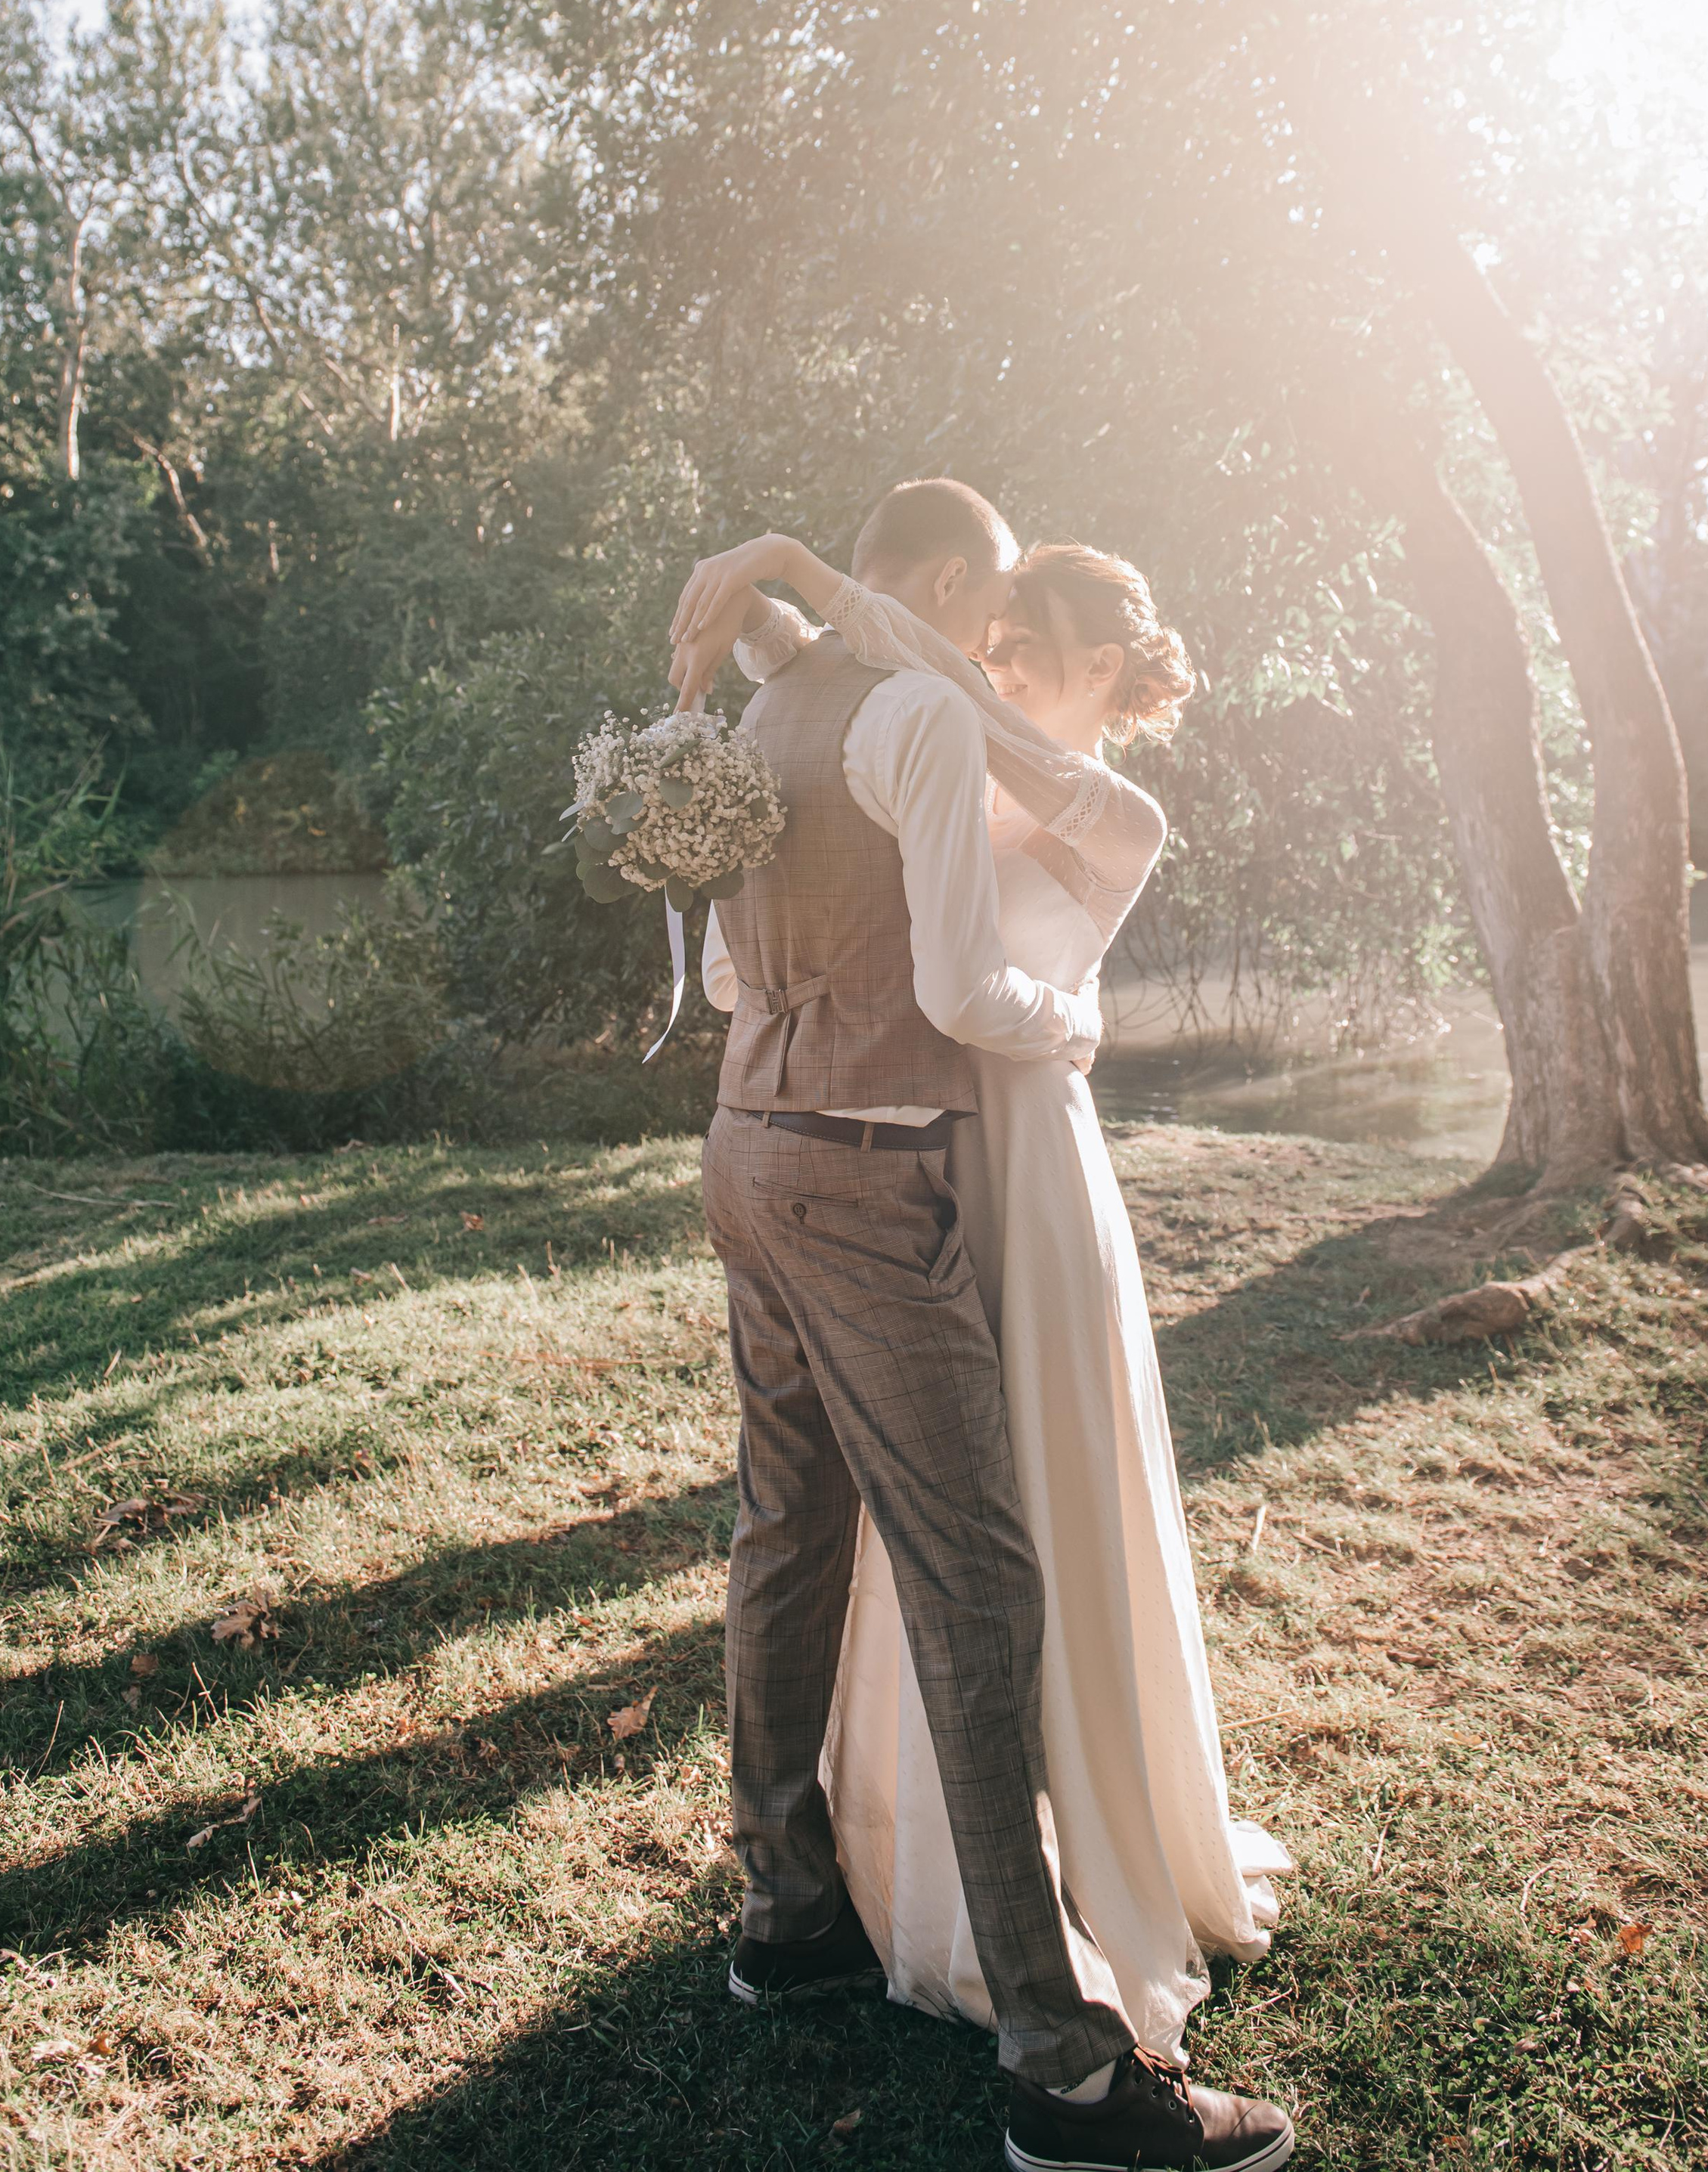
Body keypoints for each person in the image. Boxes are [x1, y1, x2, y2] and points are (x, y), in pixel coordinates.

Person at [672, 487, 1293, 2172]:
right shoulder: (915, 712)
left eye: (1017, 644)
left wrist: (795, 596)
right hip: (898, 1158)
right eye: (983, 621)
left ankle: (790, 1911)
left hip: (780, 1148)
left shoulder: (862, 722)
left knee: (792, 1529)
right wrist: (1072, 1023)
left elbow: (742, 967)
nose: (989, 657)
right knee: (967, 1572)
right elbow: (960, 984)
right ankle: (1060, 2070)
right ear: (954, 599)